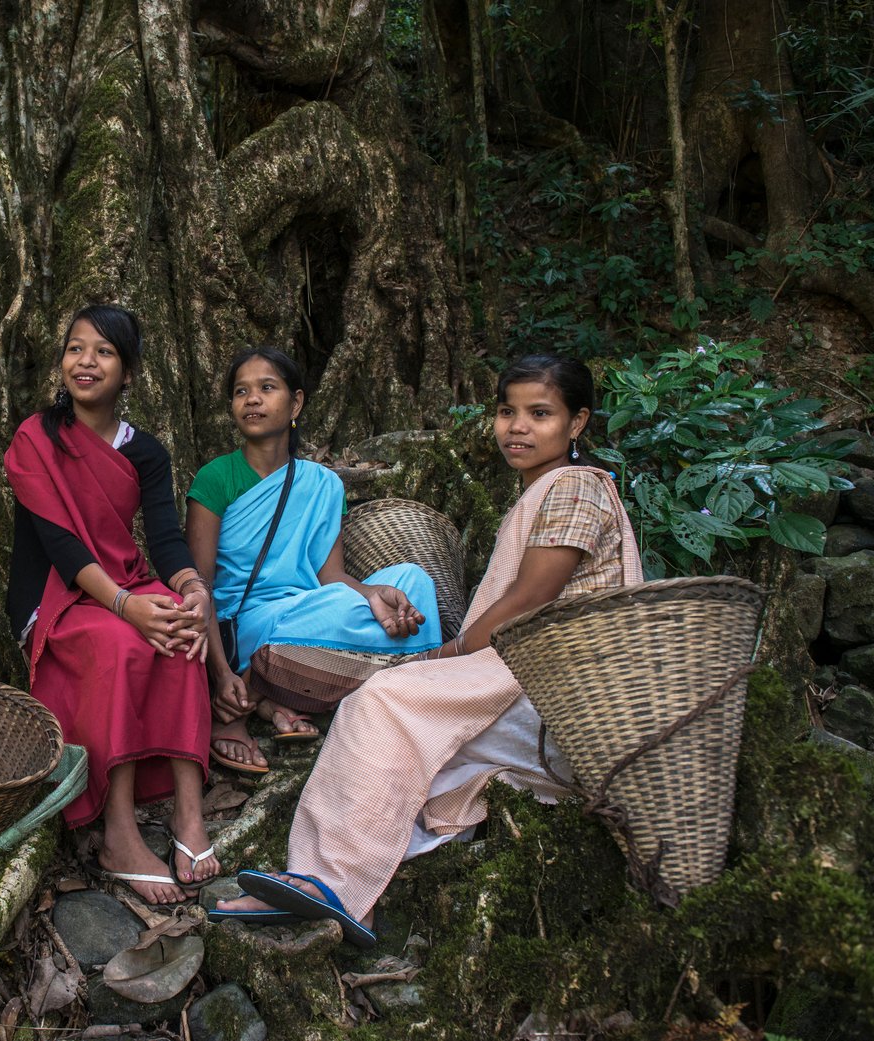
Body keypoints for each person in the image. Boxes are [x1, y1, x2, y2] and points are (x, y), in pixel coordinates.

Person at [213, 353, 643, 946]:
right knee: (397, 717)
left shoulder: (574, 487)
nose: (518, 426)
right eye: (506, 412)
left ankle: (328, 884)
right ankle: (338, 889)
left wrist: (451, 654)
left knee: (383, 699)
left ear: (577, 424)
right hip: (530, 681)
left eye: (540, 414)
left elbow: (532, 595)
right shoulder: (550, 489)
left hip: (556, 683)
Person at [4, 304, 220, 905]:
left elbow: (165, 536)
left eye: (103, 351)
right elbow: (61, 545)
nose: (86, 361)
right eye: (75, 348)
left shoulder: (144, 451)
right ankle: (119, 833)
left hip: (124, 581)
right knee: (126, 643)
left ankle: (188, 814)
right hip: (56, 594)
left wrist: (191, 590)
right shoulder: (36, 438)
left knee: (179, 633)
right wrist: (127, 607)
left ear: (128, 372)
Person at [185, 346, 441, 774]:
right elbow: (199, 585)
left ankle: (276, 695)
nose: (252, 399)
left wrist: (374, 593)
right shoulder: (215, 478)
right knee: (336, 612)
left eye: (267, 388)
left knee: (411, 582)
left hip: (316, 614)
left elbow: (332, 577)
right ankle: (247, 697)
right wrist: (219, 673)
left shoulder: (323, 484)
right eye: (240, 391)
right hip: (250, 622)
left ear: (296, 402)